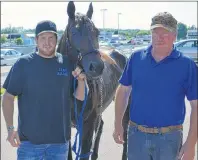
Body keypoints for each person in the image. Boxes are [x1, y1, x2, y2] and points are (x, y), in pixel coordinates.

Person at [113, 12, 197, 160]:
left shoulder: (187, 65)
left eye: (165, 32)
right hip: (136, 136)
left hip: (170, 139)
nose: (159, 37)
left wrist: (191, 144)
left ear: (174, 36)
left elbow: (196, 106)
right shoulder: (136, 58)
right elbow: (123, 90)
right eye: (155, 32)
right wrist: (117, 123)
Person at [2, 20, 89, 160]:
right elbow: (8, 97)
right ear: (36, 40)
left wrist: (81, 81)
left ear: (57, 39)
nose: (47, 42)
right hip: (29, 144)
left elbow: (80, 97)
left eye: (51, 38)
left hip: (60, 144)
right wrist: (10, 129)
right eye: (42, 38)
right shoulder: (23, 64)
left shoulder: (67, 63)